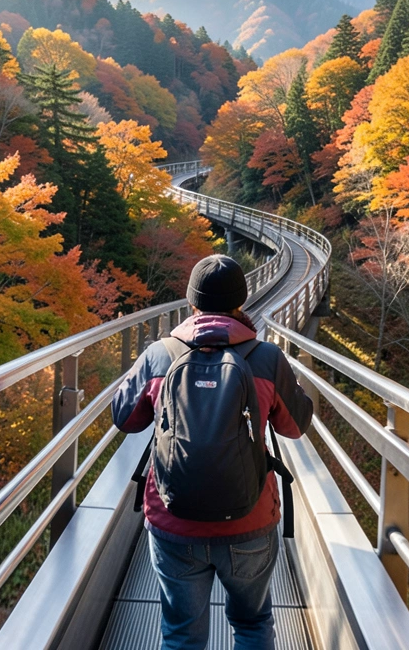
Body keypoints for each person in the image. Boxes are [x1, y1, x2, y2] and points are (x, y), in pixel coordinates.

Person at [113, 254, 313, 650]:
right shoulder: (266, 358)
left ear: (192, 303)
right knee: (253, 624)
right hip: (249, 521)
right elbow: (295, 427)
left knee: (181, 634)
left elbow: (125, 417)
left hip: (173, 521)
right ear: (242, 302)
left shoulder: (160, 355)